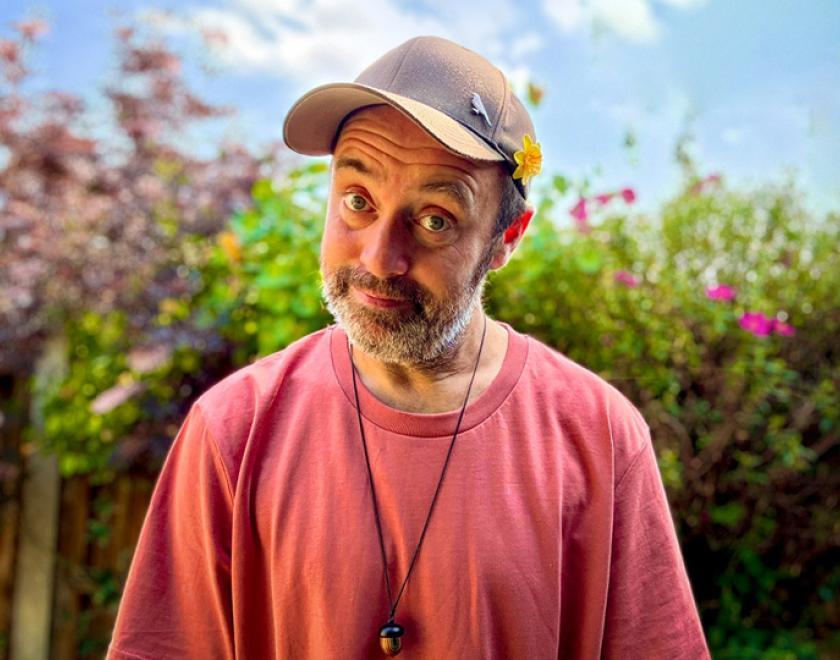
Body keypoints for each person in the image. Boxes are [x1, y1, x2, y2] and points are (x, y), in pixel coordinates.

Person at [107, 36, 710, 659]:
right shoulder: (232, 429)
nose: (379, 259)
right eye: (358, 202)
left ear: (507, 238)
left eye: (435, 219)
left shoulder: (600, 436)